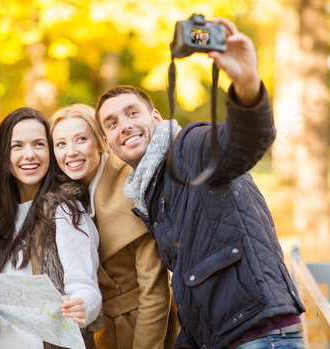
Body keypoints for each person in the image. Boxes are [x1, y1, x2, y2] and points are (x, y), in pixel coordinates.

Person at [94, 17, 306, 349]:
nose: (124, 125)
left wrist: (247, 83)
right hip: (222, 336)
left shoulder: (190, 147)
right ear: (108, 144)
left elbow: (243, 141)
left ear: (156, 118)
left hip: (261, 334)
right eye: (112, 122)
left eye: (132, 113)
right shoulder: (150, 191)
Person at [0, 107, 102, 349]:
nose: (29, 155)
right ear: (4, 154)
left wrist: (81, 304)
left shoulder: (65, 211)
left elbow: (85, 287)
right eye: (17, 146)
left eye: (39, 144)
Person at [50, 103, 180, 349]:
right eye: (61, 144)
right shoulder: (65, 197)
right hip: (104, 329)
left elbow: (154, 293)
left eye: (81, 139)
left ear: (101, 142)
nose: (71, 152)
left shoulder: (129, 187)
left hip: (147, 327)